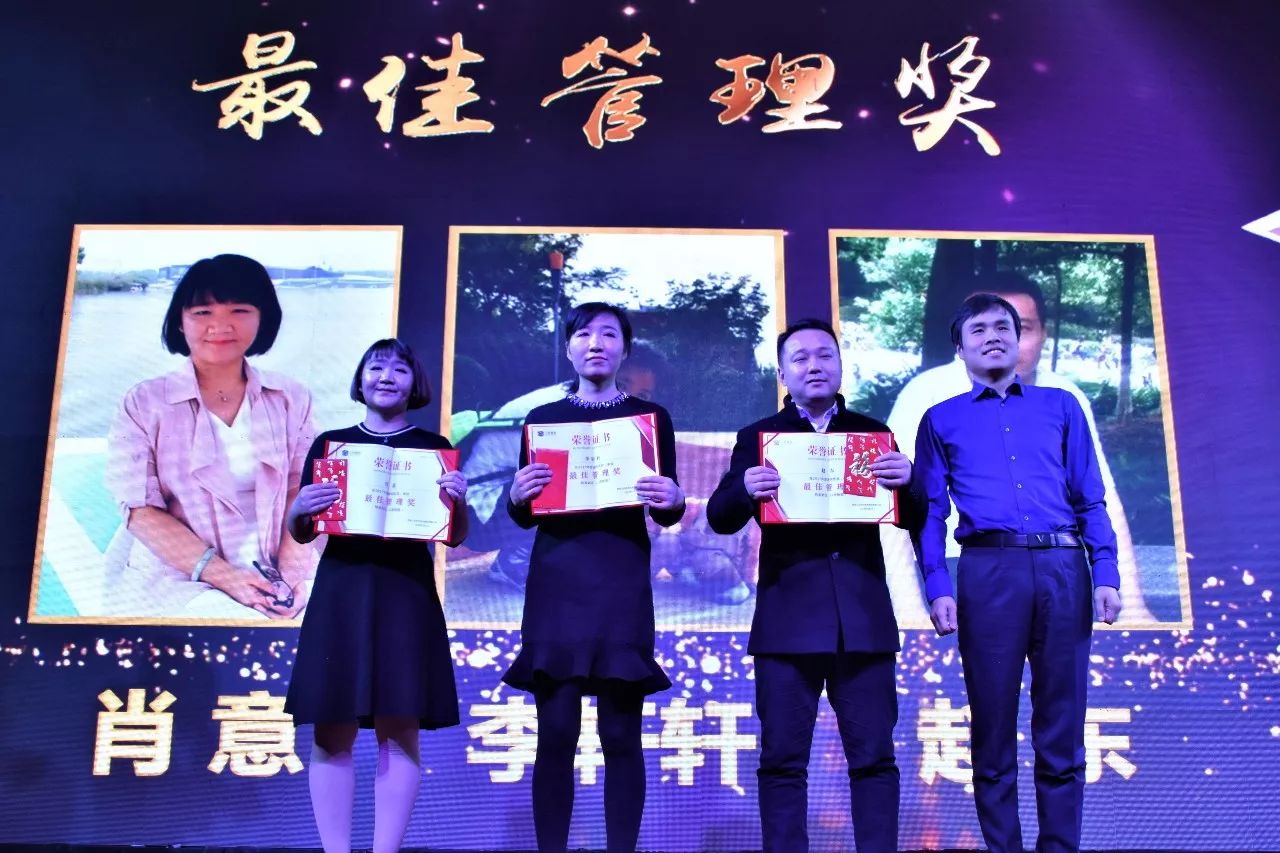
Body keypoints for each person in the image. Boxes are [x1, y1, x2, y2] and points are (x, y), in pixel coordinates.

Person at [914, 294, 1123, 853]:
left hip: (1062, 569)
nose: (993, 336)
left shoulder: (1062, 406)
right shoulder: (940, 419)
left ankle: (1060, 847)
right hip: (989, 571)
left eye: (1003, 327)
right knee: (992, 723)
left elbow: (1090, 498)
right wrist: (936, 586)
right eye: (978, 330)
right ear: (960, 350)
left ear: (1021, 339)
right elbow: (929, 512)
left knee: (1062, 723)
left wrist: (1105, 572)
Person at [706, 318, 924, 853]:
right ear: (782, 374)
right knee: (782, 763)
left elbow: (912, 517)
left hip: (863, 623)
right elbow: (719, 518)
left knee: (874, 761)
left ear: (841, 366)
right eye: (800, 358)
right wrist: (744, 488)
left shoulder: (873, 434)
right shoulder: (759, 437)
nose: (814, 366)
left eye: (825, 355)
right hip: (786, 624)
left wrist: (909, 482)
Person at [503, 303, 685, 853]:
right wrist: (516, 497)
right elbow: (526, 513)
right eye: (584, 334)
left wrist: (674, 499)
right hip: (557, 586)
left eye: (609, 334)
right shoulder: (543, 420)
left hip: (620, 584)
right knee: (556, 735)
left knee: (620, 735)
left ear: (624, 350)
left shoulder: (649, 419)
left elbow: (666, 508)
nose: (596, 343)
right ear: (569, 349)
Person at [879, 271, 1153, 623]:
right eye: (980, 329)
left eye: (1010, 326)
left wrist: (1132, 602)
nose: (994, 338)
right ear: (960, 341)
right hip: (965, 562)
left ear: (1037, 335)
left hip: (1059, 561)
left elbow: (1098, 498)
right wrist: (909, 610)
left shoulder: (1064, 397)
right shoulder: (927, 394)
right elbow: (896, 500)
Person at [284, 338, 469, 853]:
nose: (387, 376)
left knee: (400, 728)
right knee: (331, 730)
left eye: (400, 369)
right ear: (361, 380)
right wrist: (300, 507)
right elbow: (301, 530)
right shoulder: (332, 445)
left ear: (415, 385)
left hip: (405, 594)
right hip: (342, 593)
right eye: (376, 367)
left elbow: (453, 536)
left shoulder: (433, 448)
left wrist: (456, 502)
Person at [104, 253, 315, 619]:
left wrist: (293, 574)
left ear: (263, 318)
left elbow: (303, 491)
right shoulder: (143, 403)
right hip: (181, 574)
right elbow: (139, 510)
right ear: (180, 321)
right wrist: (227, 578)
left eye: (239, 310)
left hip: (277, 565)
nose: (220, 325)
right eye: (203, 312)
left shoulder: (291, 398)